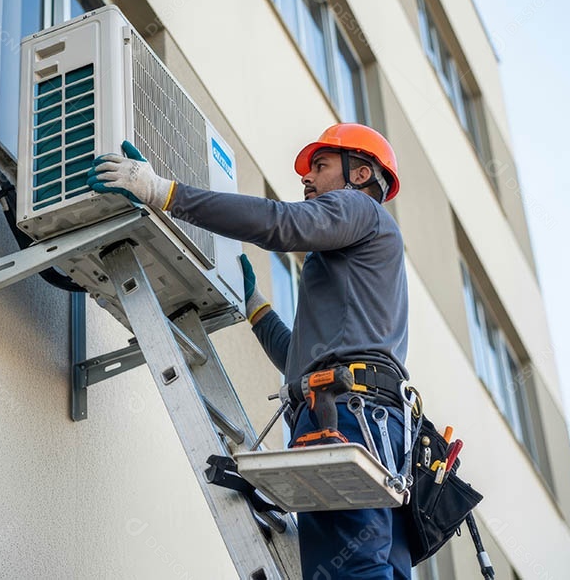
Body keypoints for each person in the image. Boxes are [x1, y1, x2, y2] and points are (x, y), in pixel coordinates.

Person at [88, 123, 411, 580]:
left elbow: (281, 224)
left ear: (360, 175)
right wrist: (257, 307)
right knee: (361, 567)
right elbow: (297, 360)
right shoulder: (353, 263)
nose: (307, 179)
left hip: (352, 413)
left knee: (354, 568)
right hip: (353, 410)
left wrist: (164, 192)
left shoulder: (360, 209)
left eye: (320, 166)